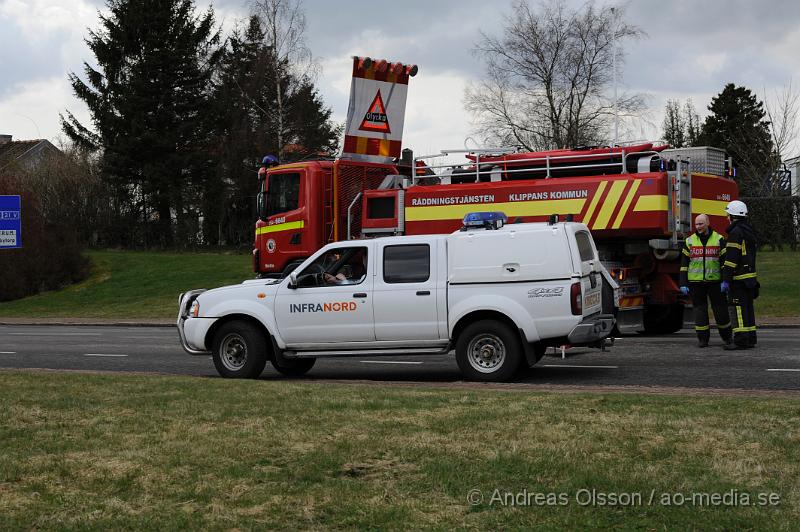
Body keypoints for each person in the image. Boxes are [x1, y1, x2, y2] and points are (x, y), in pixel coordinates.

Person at [679, 214, 732, 347]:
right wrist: (683, 283)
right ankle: (703, 339)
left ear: (708, 223)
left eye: (701, 224)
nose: (698, 227)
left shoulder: (719, 239)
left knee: (721, 312)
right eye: (696, 224)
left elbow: (724, 264)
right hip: (696, 283)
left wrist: (725, 281)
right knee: (699, 313)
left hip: (715, 283)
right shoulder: (689, 241)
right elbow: (684, 265)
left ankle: (727, 338)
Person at [721, 200, 759, 350]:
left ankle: (741, 340)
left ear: (732, 216)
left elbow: (731, 260)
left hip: (738, 279)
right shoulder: (748, 230)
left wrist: (726, 280)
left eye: (727, 215)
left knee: (737, 308)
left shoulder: (735, 233)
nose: (726, 217)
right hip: (749, 278)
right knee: (748, 308)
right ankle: (750, 338)